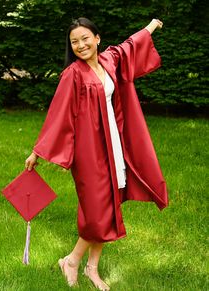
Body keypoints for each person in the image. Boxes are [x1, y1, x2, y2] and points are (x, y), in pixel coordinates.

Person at [25, 17, 168, 290]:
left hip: (113, 143)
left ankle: (89, 267)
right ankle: (72, 261)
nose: (80, 45)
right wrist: (38, 152)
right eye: (74, 42)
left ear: (97, 38)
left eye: (85, 38)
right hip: (89, 151)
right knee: (96, 211)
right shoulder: (73, 74)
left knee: (110, 203)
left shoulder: (109, 61)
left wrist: (151, 26)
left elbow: (130, 46)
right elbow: (58, 115)